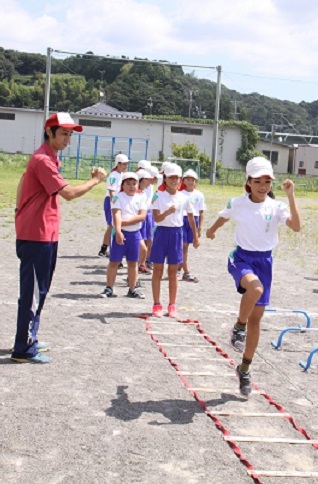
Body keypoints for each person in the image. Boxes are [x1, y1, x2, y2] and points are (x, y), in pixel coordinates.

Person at [12, 112, 107, 364]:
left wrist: (18, 211)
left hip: (45, 233)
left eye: (70, 134)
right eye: (63, 133)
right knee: (32, 293)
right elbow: (69, 194)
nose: (67, 138)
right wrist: (95, 180)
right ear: (49, 132)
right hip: (36, 235)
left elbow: (23, 181)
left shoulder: (50, 158)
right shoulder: (42, 159)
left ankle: (30, 338)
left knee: (40, 290)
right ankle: (22, 348)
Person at [206, 156, 301, 396]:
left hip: (264, 262)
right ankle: (238, 328)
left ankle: (245, 369)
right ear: (248, 182)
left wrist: (290, 196)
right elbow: (224, 216)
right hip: (241, 258)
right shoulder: (238, 203)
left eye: (267, 181)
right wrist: (211, 230)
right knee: (255, 290)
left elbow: (296, 226)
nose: (263, 185)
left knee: (257, 320)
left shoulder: (276, 207)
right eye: (257, 181)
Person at [149, 163, 200, 318]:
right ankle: (157, 304)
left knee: (173, 272)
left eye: (177, 178)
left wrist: (196, 236)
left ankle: (172, 305)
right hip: (161, 234)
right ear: (165, 179)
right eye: (171, 177)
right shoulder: (157, 195)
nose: (174, 180)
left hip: (177, 234)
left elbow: (191, 218)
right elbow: (156, 218)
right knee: (157, 269)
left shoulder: (184, 197)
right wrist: (168, 212)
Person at [99, 172, 147, 299]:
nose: (131, 186)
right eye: (128, 184)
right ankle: (109, 288)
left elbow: (142, 216)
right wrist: (119, 230)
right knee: (114, 262)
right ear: (123, 185)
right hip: (120, 233)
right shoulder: (117, 197)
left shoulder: (141, 197)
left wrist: (122, 223)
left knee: (133, 262)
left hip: (135, 234)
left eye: (134, 184)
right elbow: (116, 214)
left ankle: (133, 288)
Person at [98, 153, 129, 257]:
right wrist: (115, 204)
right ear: (118, 164)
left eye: (126, 164)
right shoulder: (114, 175)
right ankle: (108, 249)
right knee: (113, 225)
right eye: (123, 164)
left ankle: (104, 249)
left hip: (116, 201)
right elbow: (111, 191)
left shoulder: (120, 175)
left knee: (112, 225)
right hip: (111, 201)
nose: (125, 166)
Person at [179, 169, 206, 282]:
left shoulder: (199, 195)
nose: (190, 182)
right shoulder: (180, 194)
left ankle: (179, 266)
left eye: (192, 180)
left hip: (193, 221)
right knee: (184, 246)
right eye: (188, 179)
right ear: (183, 180)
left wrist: (199, 228)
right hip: (182, 220)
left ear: (196, 181)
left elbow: (201, 212)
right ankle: (186, 272)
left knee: (187, 246)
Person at [137, 169, 153, 275]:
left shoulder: (142, 193)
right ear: (141, 180)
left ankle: (141, 265)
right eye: (148, 180)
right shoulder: (135, 193)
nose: (150, 182)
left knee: (144, 244)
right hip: (135, 223)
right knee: (141, 247)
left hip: (144, 219)